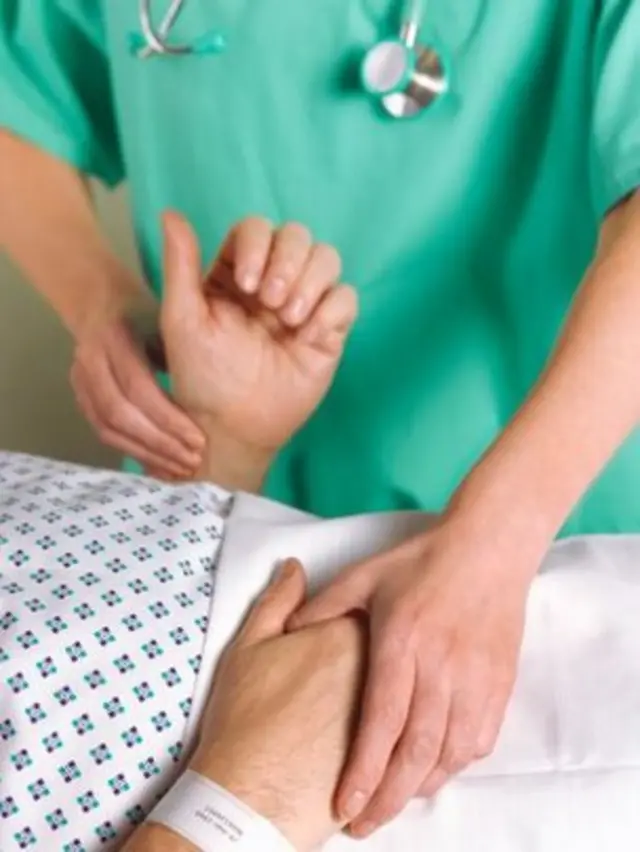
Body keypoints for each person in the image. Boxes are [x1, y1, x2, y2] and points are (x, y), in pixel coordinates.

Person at [2, 0, 640, 835]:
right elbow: (18, 99)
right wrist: (100, 301)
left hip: (542, 540)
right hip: (211, 495)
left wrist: (493, 542)